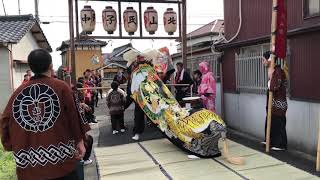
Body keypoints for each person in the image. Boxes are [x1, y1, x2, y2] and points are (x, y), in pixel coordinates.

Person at [0, 49, 88, 180]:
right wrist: (80, 140)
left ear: (30, 67)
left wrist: (11, 145)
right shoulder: (62, 88)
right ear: (51, 66)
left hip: (29, 168)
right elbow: (74, 117)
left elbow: (5, 122)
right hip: (61, 163)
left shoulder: (17, 93)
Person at [262, 51, 288, 151]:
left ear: (270, 60)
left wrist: (271, 76)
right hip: (273, 104)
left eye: (264, 60)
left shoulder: (278, 71)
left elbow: (274, 87)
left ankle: (281, 144)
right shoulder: (274, 71)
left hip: (279, 104)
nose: (262, 62)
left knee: (279, 123)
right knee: (270, 122)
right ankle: (270, 140)